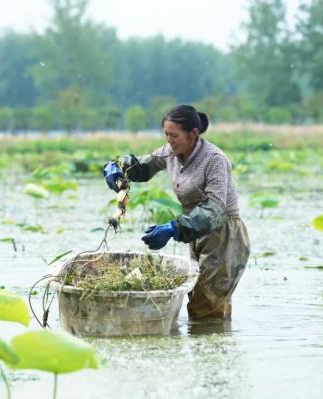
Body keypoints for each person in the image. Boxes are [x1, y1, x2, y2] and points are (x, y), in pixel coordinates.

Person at [103, 104, 250, 319]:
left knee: (207, 306)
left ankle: (212, 347)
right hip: (196, 230)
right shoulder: (171, 152)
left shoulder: (214, 160)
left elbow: (216, 210)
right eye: (166, 135)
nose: (169, 141)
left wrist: (174, 228)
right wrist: (118, 166)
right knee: (200, 298)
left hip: (223, 233)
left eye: (175, 136)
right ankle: (208, 344)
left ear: (193, 134)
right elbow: (143, 166)